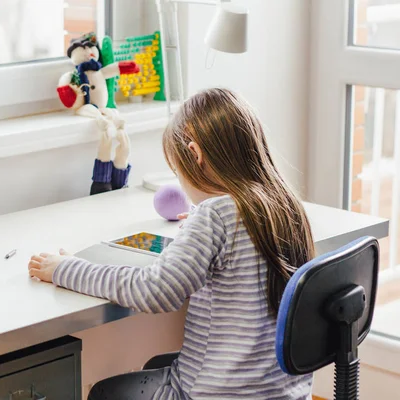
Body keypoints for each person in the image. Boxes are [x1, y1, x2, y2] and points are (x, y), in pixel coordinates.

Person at [28, 88, 315, 400]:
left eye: (179, 172)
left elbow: (154, 291)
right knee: (163, 363)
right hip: (283, 392)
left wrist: (66, 269)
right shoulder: (284, 205)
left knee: (104, 393)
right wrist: (198, 228)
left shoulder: (215, 216)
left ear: (195, 154)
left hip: (220, 393)